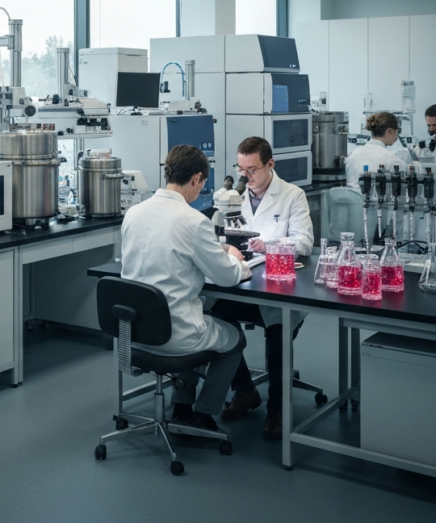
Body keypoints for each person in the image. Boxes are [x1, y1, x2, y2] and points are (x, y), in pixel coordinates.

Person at [121, 144, 249, 434]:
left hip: (133, 332)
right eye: (202, 184)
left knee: (197, 318)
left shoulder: (134, 213)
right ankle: (204, 414)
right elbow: (227, 276)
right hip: (175, 336)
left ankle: (182, 404)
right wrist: (235, 258)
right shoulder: (193, 221)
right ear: (196, 179)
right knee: (234, 338)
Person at [209, 137, 313, 440]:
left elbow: (305, 242)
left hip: (281, 286)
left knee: (277, 334)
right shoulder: (234, 198)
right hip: (244, 281)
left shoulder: (292, 195)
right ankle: (245, 390)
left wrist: (269, 245)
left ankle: (277, 409)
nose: (245, 176)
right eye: (240, 169)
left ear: (270, 165)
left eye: (252, 170)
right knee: (215, 318)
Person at [345, 112, 407, 191]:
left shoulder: (354, 154)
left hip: (352, 198)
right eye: (398, 131)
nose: (398, 135)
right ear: (390, 131)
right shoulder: (390, 159)